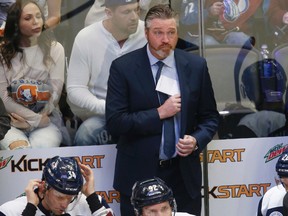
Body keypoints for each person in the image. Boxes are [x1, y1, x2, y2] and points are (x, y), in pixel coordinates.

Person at [106, 4, 219, 215]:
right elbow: (115, 122)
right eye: (158, 33)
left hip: (183, 176)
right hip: (138, 176)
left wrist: (196, 140)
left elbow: (210, 118)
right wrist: (159, 113)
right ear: (146, 33)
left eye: (171, 33)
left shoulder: (196, 66)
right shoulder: (123, 68)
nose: (165, 39)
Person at [67, 0, 147, 146]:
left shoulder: (148, 32)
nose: (134, 17)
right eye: (127, 12)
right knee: (86, 134)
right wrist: (106, 107)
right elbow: (75, 88)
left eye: (137, 10)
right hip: (103, 113)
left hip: (142, 111)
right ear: (108, 13)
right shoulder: (86, 37)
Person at [0, 0, 66, 149]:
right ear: (16, 24)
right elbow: (4, 98)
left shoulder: (55, 49)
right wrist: (35, 120)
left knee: (41, 149)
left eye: (38, 16)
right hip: (11, 120)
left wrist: (37, 121)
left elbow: (54, 94)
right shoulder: (2, 52)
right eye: (28, 18)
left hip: (47, 119)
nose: (36, 22)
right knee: (20, 151)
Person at [0, 156, 114, 215]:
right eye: (60, 197)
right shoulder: (11, 210)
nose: (64, 204)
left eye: (71, 197)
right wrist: (30, 209)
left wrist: (91, 196)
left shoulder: (92, 203)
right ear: (44, 187)